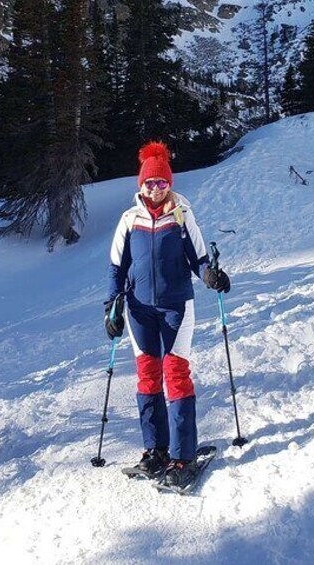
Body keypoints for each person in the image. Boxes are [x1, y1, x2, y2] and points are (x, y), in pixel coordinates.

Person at [104, 141, 231, 487]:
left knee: (174, 375)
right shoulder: (129, 220)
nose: (156, 188)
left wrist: (212, 277)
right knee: (147, 376)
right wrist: (112, 304)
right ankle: (155, 450)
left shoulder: (182, 216)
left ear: (169, 184)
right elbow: (117, 267)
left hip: (177, 307)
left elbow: (200, 260)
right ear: (140, 185)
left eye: (161, 183)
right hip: (139, 309)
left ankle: (182, 456)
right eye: (150, 183)